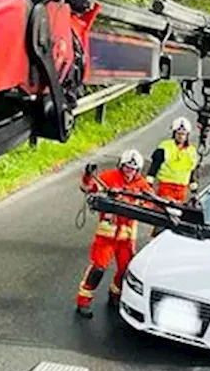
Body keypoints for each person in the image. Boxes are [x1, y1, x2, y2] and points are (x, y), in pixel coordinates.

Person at [75, 150, 154, 318]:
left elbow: (151, 204)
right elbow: (86, 188)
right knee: (98, 269)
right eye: (126, 167)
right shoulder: (108, 178)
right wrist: (87, 176)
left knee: (126, 270)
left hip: (126, 238)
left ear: (138, 170)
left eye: (133, 169)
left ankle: (115, 294)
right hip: (106, 237)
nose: (129, 172)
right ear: (121, 165)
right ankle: (83, 300)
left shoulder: (141, 185)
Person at [147, 117, 200, 203]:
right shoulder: (164, 147)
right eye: (178, 133)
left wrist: (194, 191)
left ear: (187, 135)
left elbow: (191, 171)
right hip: (166, 187)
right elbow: (154, 167)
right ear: (174, 133)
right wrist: (148, 185)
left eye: (183, 134)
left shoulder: (191, 151)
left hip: (182, 189)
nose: (181, 136)